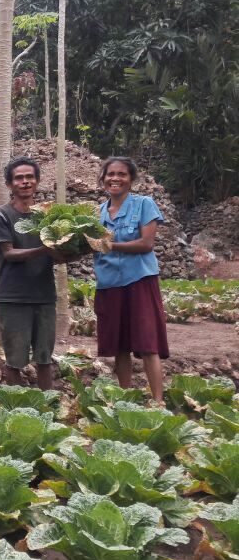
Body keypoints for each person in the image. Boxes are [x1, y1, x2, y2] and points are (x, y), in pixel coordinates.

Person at [93, 156, 169, 403]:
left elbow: (146, 244)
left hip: (139, 281)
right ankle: (125, 400)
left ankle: (158, 401)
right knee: (120, 345)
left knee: (148, 342)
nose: (115, 178)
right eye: (110, 174)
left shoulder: (144, 204)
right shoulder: (100, 213)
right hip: (109, 283)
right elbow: (90, 246)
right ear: (103, 179)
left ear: (131, 180)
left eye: (122, 174)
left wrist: (109, 245)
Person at [0, 157, 65, 391]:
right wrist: (44, 250)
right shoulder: (0, 215)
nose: (25, 182)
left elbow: (60, 254)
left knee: (44, 359)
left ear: (38, 181)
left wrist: (73, 249)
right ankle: (15, 408)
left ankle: (47, 406)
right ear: (9, 184)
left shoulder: (48, 217)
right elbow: (8, 253)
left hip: (44, 296)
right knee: (15, 361)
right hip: (13, 297)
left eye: (30, 177)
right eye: (19, 178)